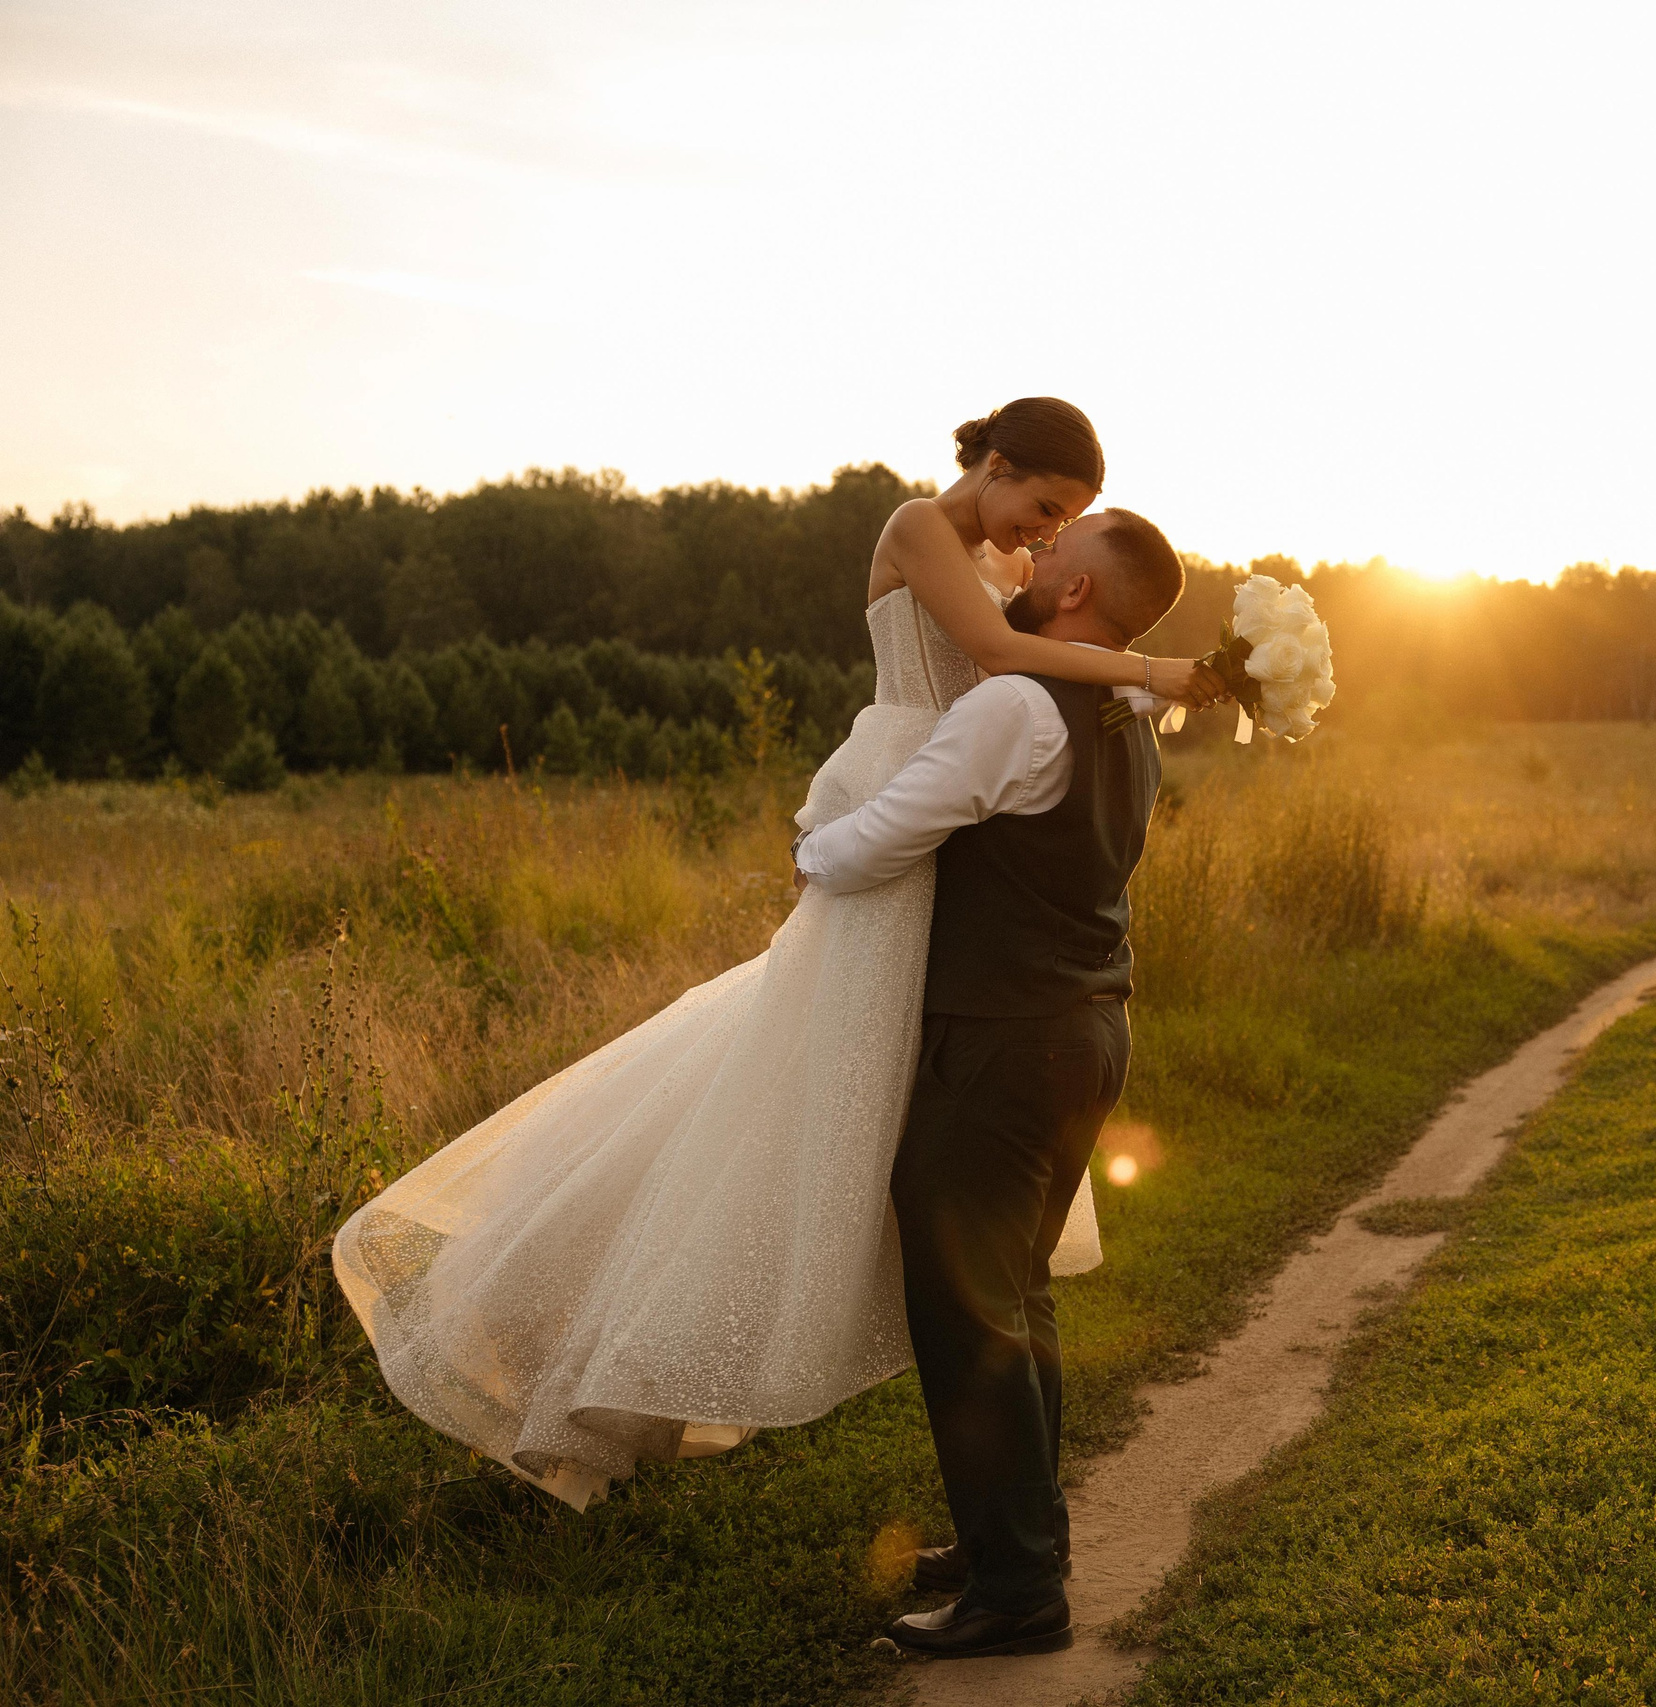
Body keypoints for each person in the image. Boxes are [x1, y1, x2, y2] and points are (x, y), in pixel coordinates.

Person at [330, 401, 1220, 1511]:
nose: (1043, 542)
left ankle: (880, 1359)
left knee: (839, 1088)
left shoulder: (1015, 573)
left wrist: (1126, 673)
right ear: (993, 465)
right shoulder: (918, 526)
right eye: (1042, 510)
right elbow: (993, 653)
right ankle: (577, 1321)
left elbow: (1031, 666)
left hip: (954, 808)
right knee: (789, 1073)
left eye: (1064, 529)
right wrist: (1154, 671)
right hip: (914, 781)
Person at [795, 507, 1185, 1658]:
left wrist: (810, 849)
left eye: (1062, 548)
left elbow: (885, 839)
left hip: (1006, 1039)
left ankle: (1017, 1592)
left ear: (1073, 593)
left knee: (965, 1306)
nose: (1035, 552)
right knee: (1015, 1294)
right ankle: (1013, 1540)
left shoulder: (1018, 704)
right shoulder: (1127, 707)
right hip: (1089, 1028)